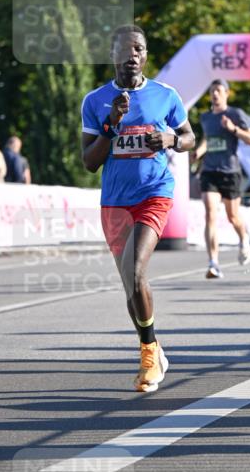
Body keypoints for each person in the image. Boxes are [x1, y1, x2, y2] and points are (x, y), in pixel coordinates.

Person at [81, 24, 195, 393]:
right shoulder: (95, 100)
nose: (133, 55)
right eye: (126, 49)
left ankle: (148, 352)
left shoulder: (166, 95)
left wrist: (171, 139)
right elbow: (89, 162)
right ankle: (154, 348)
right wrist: (111, 126)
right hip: (115, 201)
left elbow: (191, 138)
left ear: (146, 55)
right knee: (131, 284)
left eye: (140, 49)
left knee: (134, 272)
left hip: (153, 193)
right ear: (112, 54)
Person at [192, 79, 250, 279]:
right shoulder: (205, 117)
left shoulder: (235, 114)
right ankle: (214, 264)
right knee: (210, 214)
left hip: (230, 171)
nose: (215, 95)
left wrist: (233, 129)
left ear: (227, 93)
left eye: (219, 91)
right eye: (212, 91)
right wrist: (199, 152)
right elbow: (207, 139)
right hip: (210, 171)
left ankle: (244, 238)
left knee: (232, 217)